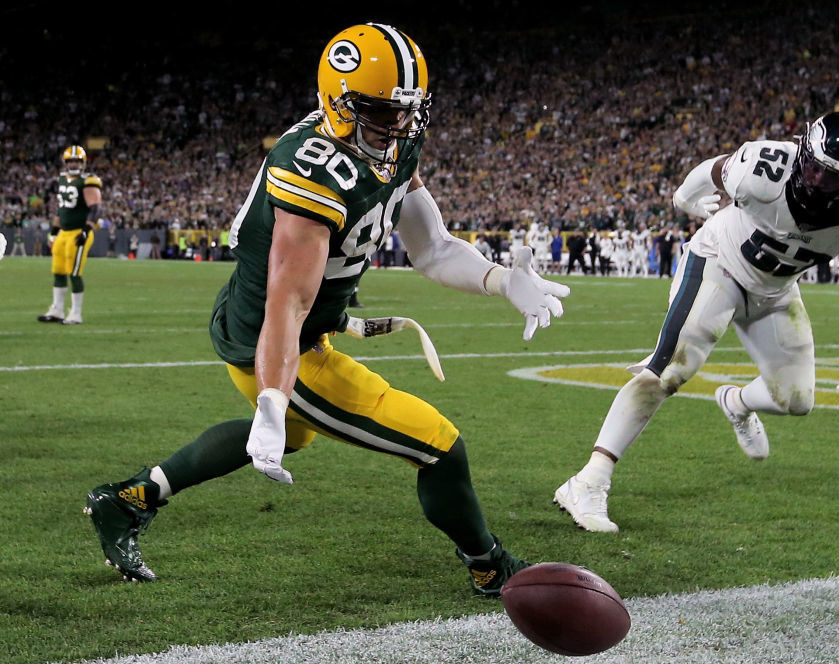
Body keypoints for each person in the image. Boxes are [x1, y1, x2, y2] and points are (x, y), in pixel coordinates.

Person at [84, 23, 570, 596]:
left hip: (297, 326)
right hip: (274, 335)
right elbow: (287, 304)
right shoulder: (313, 170)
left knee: (294, 434)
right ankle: (489, 565)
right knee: (440, 447)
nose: (398, 124)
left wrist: (499, 279)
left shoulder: (391, 144)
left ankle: (129, 499)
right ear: (337, 101)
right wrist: (273, 396)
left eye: (407, 109)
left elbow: (433, 248)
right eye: (381, 110)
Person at [555, 109, 839, 532]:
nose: (815, 179)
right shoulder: (763, 169)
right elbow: (714, 169)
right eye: (812, 164)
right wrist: (683, 199)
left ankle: (736, 403)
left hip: (776, 292)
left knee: (796, 399)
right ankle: (588, 481)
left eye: (831, 176)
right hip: (718, 264)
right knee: (668, 370)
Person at [37, 145, 102, 324]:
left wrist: (86, 230)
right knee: (58, 271)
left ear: (83, 163)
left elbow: (96, 208)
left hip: (78, 232)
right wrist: (54, 231)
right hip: (63, 233)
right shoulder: (62, 179)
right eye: (71, 161)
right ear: (65, 162)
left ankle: (76, 313)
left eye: (77, 161)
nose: (74, 164)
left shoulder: (89, 180)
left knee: (74, 273)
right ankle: (57, 310)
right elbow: (62, 208)